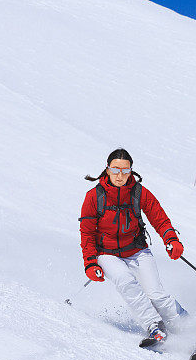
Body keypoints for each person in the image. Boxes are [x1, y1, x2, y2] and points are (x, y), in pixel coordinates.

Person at [78, 148, 187, 345]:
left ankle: (190, 330)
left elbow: (159, 218)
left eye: (125, 170)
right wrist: (90, 263)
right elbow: (87, 233)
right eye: (115, 169)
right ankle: (155, 327)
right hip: (107, 253)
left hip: (136, 250)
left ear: (131, 171)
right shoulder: (94, 197)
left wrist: (171, 239)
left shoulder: (138, 192)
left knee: (156, 293)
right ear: (107, 169)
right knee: (125, 280)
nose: (120, 175)